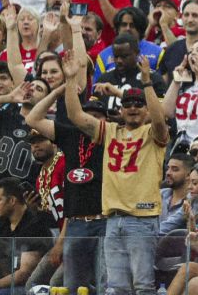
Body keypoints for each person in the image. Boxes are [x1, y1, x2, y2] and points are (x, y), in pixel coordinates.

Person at [60, 43, 168, 295]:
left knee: (143, 286)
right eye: (127, 104)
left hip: (142, 219)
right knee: (116, 288)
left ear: (145, 110)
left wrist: (147, 83)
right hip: (112, 218)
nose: (132, 107)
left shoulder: (154, 133)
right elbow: (75, 115)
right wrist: (69, 80)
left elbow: (161, 118)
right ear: (120, 110)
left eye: (138, 104)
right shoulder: (109, 131)